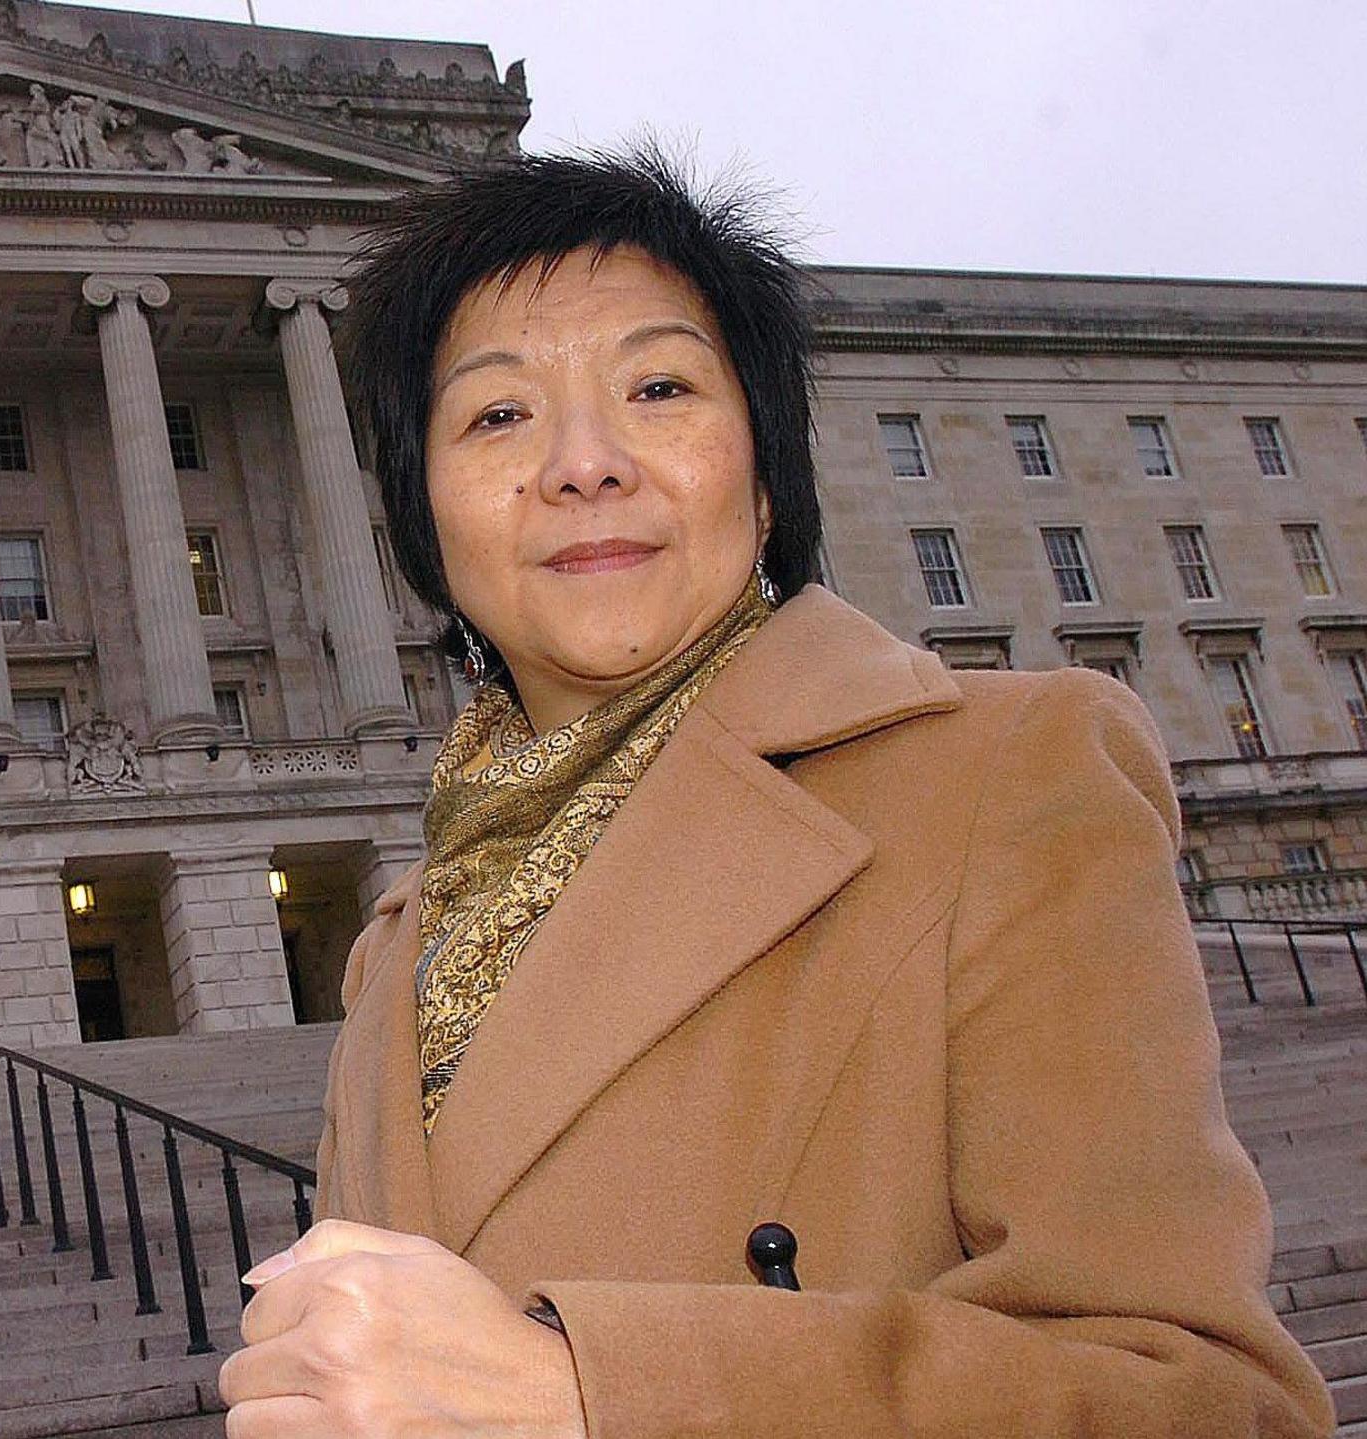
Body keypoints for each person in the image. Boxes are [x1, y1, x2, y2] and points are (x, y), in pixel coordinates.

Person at [216, 147, 1334, 1437]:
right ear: (422, 517)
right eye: (498, 415)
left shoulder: (1010, 778)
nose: (584, 462)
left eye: (658, 386)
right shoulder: (397, 949)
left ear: (764, 469)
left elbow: (1204, 1405)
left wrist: (601, 1396)